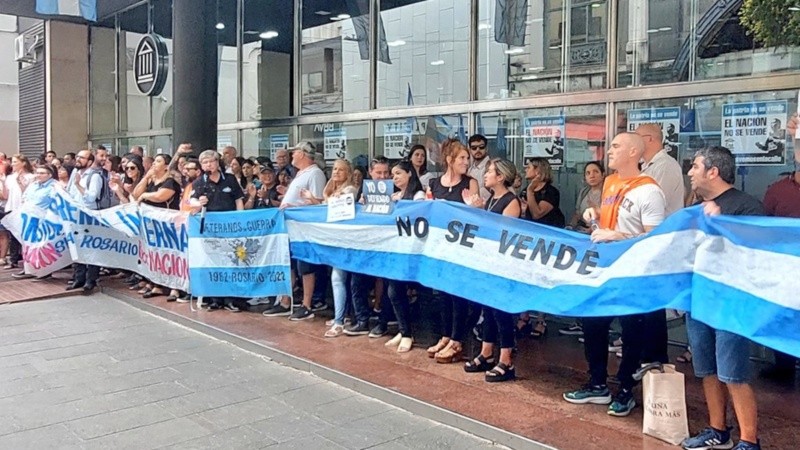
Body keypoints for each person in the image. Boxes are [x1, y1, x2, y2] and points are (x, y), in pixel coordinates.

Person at [562, 132, 666, 418]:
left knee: (632, 332)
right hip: (604, 270)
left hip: (632, 275)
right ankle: (597, 383)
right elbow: (611, 215)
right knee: (593, 325)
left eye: (616, 146)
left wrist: (616, 235)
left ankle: (625, 390)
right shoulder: (611, 182)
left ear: (634, 152)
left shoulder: (649, 190)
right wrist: (592, 213)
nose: (609, 151)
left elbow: (654, 239)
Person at [682, 146, 764, 450]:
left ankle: (749, 440)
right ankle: (718, 429)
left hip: (731, 302)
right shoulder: (694, 207)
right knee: (706, 369)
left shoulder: (746, 206)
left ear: (713, 171)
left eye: (695, 166)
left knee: (733, 373)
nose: (690, 172)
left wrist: (722, 225)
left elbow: (754, 251)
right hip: (700, 298)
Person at [635, 123, 688, 365]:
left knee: (653, 306)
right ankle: (643, 350)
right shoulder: (646, 166)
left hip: (659, 242)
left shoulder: (665, 166)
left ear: (649, 140)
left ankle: (654, 357)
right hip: (644, 244)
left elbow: (651, 205)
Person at [464, 158, 521, 381]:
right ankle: (486, 352)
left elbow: (505, 235)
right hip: (489, 261)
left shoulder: (511, 201)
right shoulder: (490, 199)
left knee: (501, 311)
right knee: (487, 308)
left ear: (501, 177)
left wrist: (481, 213)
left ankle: (506, 359)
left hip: (504, 265)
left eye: (490, 172)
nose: (485, 175)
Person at [425, 141, 480, 363]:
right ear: (449, 160)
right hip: (440, 246)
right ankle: (445, 335)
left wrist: (475, 207)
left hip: (461, 247)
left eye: (467, 159)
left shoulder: (471, 183)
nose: (466, 162)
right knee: (443, 294)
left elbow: (477, 215)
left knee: (458, 294)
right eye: (462, 158)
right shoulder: (434, 183)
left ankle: (457, 339)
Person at [262, 142, 326, 321]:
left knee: (304, 266)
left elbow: (317, 202)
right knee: (288, 262)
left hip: (303, 229)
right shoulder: (300, 174)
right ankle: (285, 300)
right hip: (290, 226)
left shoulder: (315, 173)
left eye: (295, 152)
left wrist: (295, 205)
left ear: (304, 154)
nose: (292, 155)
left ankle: (307, 304)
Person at [307, 159, 358, 337]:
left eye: (341, 170)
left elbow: (336, 207)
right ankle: (342, 315)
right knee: (337, 278)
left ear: (348, 173)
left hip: (344, 241)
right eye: (334, 169)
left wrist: (325, 196)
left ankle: (339, 321)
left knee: (338, 278)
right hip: (334, 239)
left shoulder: (349, 189)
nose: (336, 172)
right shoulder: (332, 190)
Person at [380, 160, 426, 352]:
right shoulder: (395, 195)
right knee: (393, 291)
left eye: (398, 173)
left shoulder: (418, 195)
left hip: (414, 251)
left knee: (400, 291)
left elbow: (419, 217)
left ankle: (408, 332)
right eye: (393, 175)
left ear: (409, 174)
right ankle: (403, 329)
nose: (395, 178)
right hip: (397, 249)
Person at [189, 150, 245, 310]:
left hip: (229, 227)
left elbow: (238, 200)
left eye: (211, 162)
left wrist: (240, 221)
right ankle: (215, 298)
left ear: (217, 162)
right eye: (205, 163)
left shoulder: (230, 179)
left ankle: (230, 298)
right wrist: (199, 202)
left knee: (231, 260)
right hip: (210, 229)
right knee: (213, 261)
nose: (208, 165)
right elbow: (191, 201)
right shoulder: (200, 182)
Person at [519, 157, 565, 338]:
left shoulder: (551, 192)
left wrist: (530, 192)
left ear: (538, 171)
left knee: (542, 279)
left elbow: (538, 213)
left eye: (529, 167)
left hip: (547, 241)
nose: (526, 170)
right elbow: (526, 212)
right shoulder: (526, 190)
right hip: (530, 237)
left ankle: (541, 319)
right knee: (527, 277)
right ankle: (524, 315)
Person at [65, 150, 104, 293]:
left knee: (91, 248)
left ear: (89, 161)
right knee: (77, 247)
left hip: (89, 217)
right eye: (78, 157)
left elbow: (91, 198)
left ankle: (91, 279)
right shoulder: (75, 173)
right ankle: (79, 278)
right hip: (74, 216)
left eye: (82, 157)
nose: (78, 159)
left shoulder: (94, 177)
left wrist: (78, 185)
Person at [11, 164, 57, 279]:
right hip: (29, 218)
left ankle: (44, 271)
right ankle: (28, 268)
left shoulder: (54, 186)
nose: (38, 175)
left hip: (43, 219)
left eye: (42, 173)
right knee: (27, 244)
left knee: (41, 245)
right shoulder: (34, 185)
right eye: (38, 172)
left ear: (49, 175)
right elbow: (25, 197)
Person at [3, 155, 35, 270]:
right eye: (12, 162)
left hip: (24, 209)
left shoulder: (31, 177)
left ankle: (28, 260)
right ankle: (13, 260)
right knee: (13, 236)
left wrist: (21, 184)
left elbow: (28, 194)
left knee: (25, 235)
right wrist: (3, 182)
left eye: (15, 162)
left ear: (23, 163)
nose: (13, 164)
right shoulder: (10, 177)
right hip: (12, 207)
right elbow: (6, 195)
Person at [567, 161, 605, 233]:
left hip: (600, 231)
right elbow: (577, 214)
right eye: (588, 173)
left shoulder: (607, 192)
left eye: (595, 172)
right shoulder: (584, 192)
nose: (592, 176)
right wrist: (570, 226)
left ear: (603, 175)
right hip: (582, 229)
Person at [467, 134, 490, 200]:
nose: (477, 150)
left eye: (481, 147)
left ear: (486, 148)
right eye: (474, 148)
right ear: (470, 150)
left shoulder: (492, 167)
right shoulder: (470, 170)